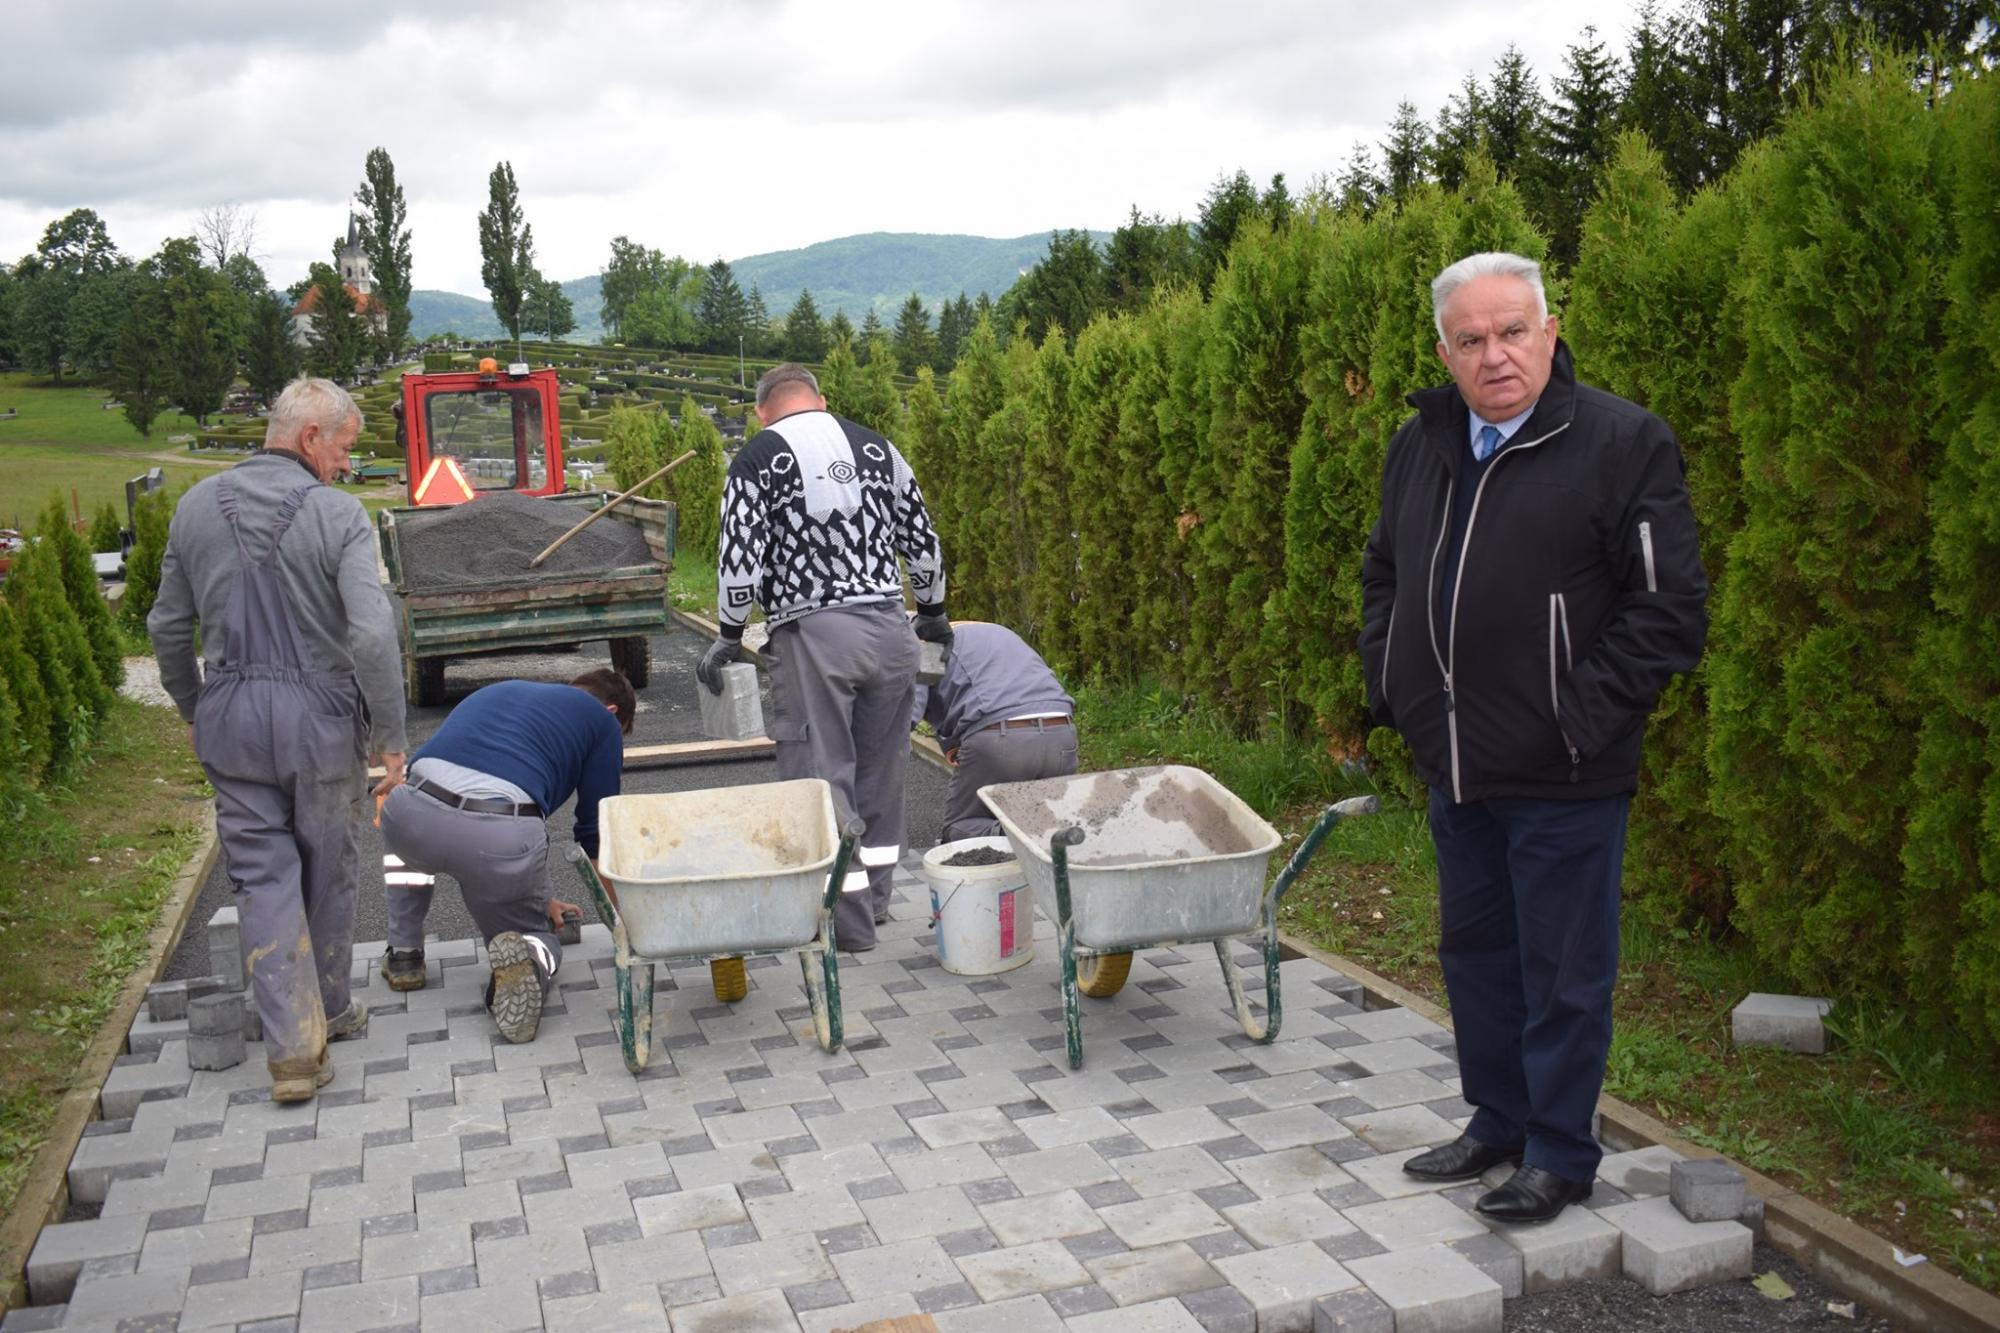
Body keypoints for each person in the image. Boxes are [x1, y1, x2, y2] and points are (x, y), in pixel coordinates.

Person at [1359, 253, 1708, 1224]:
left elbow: (1666, 608)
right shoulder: (1420, 444)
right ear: (1444, 352)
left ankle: (1558, 1151)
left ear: (1549, 332)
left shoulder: (1622, 442)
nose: (1494, 355)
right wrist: (1395, 684)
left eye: (1512, 331)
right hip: (1456, 764)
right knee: (1475, 954)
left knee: (1562, 972)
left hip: (1565, 773)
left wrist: (1576, 719)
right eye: (1470, 339)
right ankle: (1498, 1121)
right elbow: (1384, 571)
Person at [149, 377, 407, 1104]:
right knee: (326, 869)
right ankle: (331, 1009)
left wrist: (192, 705)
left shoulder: (195, 507)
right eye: (345, 448)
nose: (347, 464)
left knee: (262, 878)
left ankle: (293, 1051)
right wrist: (391, 735)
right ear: (310, 437)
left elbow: (166, 626)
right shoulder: (338, 515)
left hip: (229, 717)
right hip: (318, 722)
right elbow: (371, 632)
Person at [697, 364, 949, 951]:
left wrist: (729, 632)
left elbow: (739, 557)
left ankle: (845, 926)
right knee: (880, 772)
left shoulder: (757, 458)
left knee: (820, 776)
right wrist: (934, 611)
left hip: (815, 634)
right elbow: (922, 541)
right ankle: (876, 901)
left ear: (761, 411)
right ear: (822, 400)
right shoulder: (880, 449)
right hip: (891, 629)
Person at [374, 669, 634, 1043]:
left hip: (411, 814)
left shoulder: (503, 690)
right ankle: (528, 960)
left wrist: (541, 898)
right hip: (497, 840)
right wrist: (623, 925)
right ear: (612, 711)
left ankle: (404, 954)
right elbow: (596, 835)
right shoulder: (602, 722)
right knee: (535, 936)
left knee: (406, 856)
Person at [912, 621, 1077, 842]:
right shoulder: (992, 632)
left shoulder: (926, 643)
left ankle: (1013, 835)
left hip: (1000, 737)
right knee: (1046, 820)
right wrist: (954, 743)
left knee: (961, 828)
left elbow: (913, 708)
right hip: (1062, 732)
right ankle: (1058, 835)